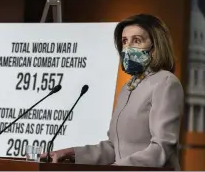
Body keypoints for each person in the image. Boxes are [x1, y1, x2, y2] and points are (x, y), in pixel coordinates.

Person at [41, 14, 184, 170]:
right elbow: (113, 148)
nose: (128, 48)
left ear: (155, 49)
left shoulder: (165, 82)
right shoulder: (129, 87)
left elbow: (162, 148)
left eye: (137, 40)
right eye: (124, 41)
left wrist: (117, 168)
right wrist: (71, 153)